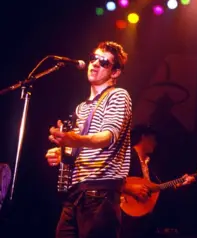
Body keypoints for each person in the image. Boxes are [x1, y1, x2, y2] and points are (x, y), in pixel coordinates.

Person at [45, 41, 132, 238]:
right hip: (75, 193)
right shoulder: (81, 107)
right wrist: (61, 153)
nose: (95, 64)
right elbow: (81, 145)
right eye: (93, 58)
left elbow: (107, 137)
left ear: (115, 72)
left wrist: (73, 139)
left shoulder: (118, 95)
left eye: (104, 62)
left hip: (100, 192)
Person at [120, 124, 195, 238]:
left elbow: (156, 188)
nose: (155, 143)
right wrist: (127, 191)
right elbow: (114, 180)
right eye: (153, 138)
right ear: (143, 136)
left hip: (144, 218)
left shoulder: (150, 164)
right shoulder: (126, 157)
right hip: (127, 217)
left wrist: (178, 183)